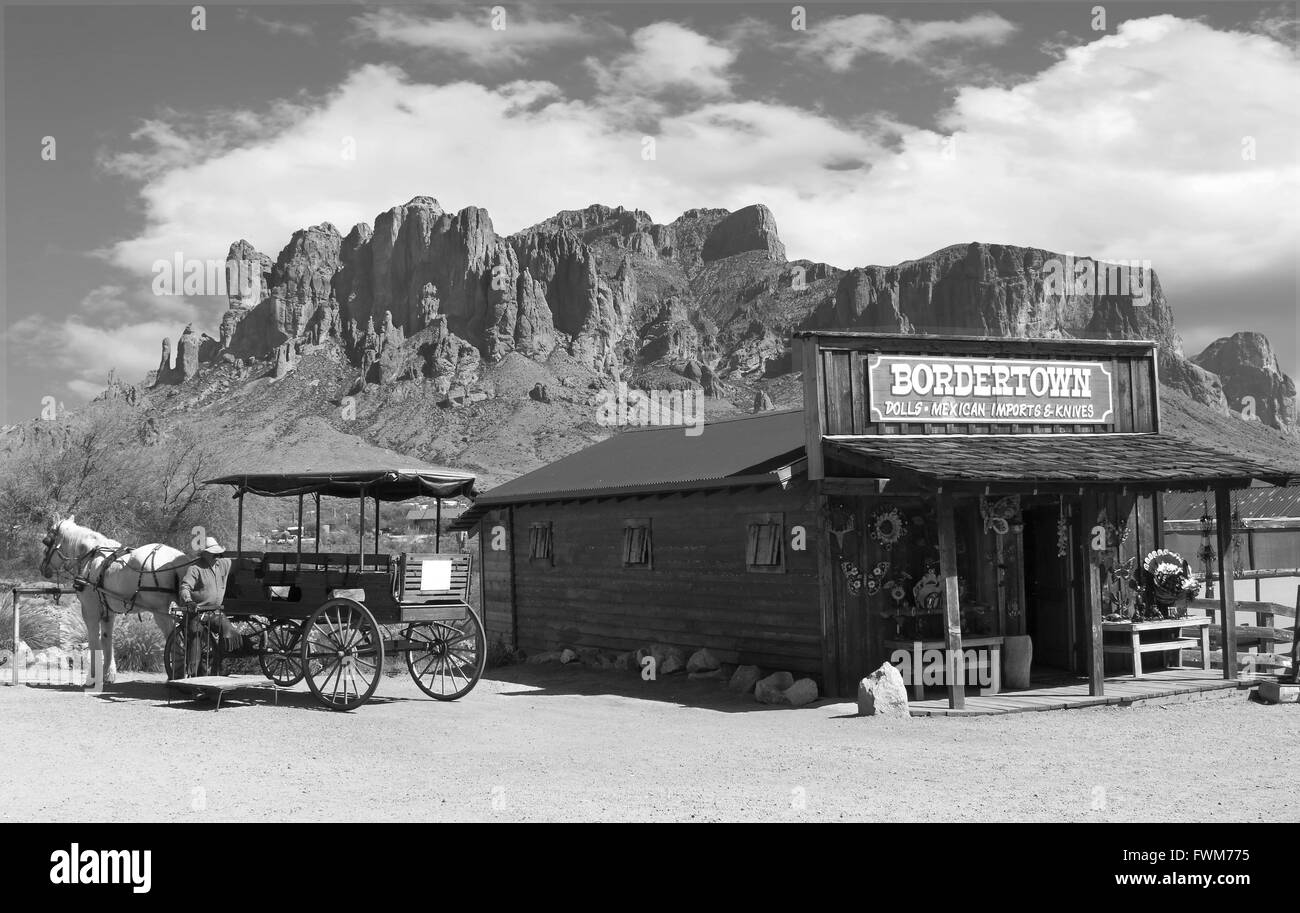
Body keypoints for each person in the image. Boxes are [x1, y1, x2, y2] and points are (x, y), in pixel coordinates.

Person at [178, 537, 237, 676]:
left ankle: (218, 672)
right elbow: (185, 587)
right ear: (205, 554)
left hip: (215, 612)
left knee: (230, 634)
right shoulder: (195, 569)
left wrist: (256, 565)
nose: (217, 556)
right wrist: (188, 601)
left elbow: (239, 563)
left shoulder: (223, 564)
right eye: (213, 553)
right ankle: (194, 680)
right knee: (195, 645)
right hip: (196, 613)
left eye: (218, 553)